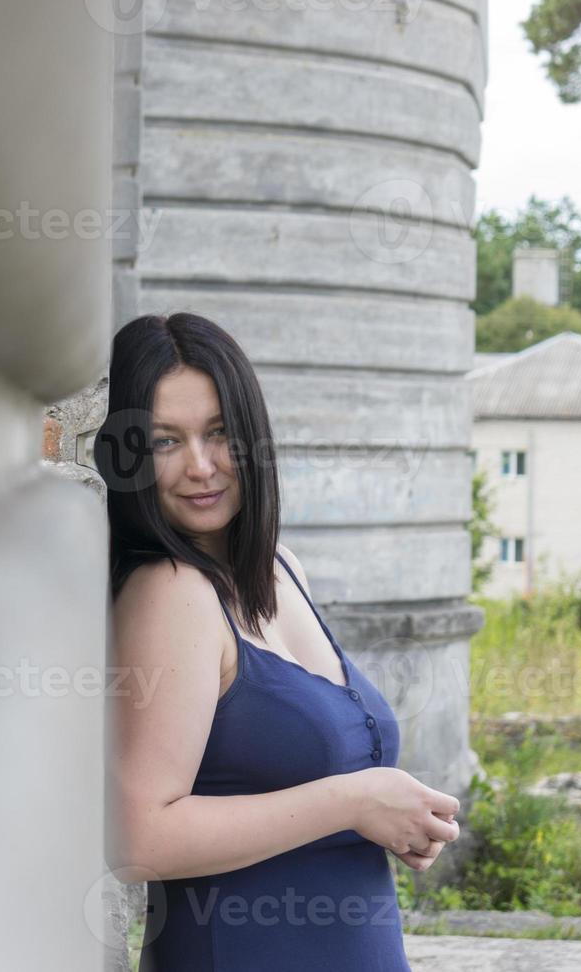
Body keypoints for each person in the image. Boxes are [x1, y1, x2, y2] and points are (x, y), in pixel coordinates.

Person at [97, 312, 461, 971]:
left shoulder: (281, 569)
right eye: (165, 441)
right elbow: (139, 837)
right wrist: (353, 801)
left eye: (218, 434)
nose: (202, 466)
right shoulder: (169, 591)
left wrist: (391, 812)